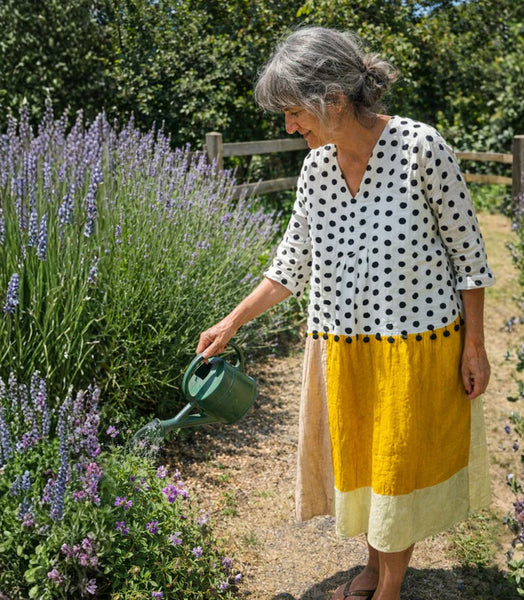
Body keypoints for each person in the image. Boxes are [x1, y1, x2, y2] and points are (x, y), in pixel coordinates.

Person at [197, 26, 495, 600]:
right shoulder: (316, 170)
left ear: (332, 99)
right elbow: (289, 266)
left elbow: (470, 257)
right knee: (365, 462)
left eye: (294, 112)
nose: (290, 127)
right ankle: (374, 566)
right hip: (343, 345)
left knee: (396, 467)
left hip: (414, 346)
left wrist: (475, 346)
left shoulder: (420, 147)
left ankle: (389, 586)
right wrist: (232, 321)